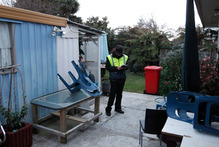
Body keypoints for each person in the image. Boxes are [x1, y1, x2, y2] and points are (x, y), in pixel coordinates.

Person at [105, 45, 128, 116]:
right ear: (115, 51)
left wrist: (124, 67)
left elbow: (127, 66)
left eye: (120, 53)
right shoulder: (109, 57)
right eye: (118, 53)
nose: (119, 54)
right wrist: (116, 68)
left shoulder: (125, 57)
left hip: (122, 78)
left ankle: (118, 108)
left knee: (119, 94)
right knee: (112, 94)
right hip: (114, 79)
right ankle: (108, 109)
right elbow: (108, 68)